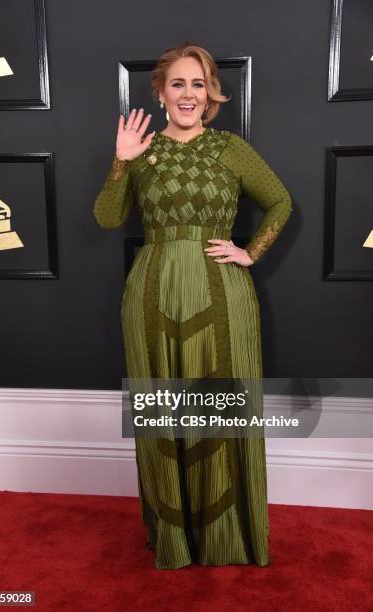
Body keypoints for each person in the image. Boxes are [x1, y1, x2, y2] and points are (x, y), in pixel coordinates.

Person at [94, 42, 293, 569]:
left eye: (198, 84)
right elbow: (108, 219)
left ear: (211, 96)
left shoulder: (230, 148)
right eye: (178, 83)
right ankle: (173, 540)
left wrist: (250, 251)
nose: (189, 94)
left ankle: (229, 538)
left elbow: (280, 201)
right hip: (152, 292)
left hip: (220, 291)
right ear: (160, 93)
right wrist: (121, 161)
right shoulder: (140, 150)